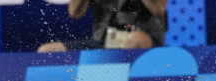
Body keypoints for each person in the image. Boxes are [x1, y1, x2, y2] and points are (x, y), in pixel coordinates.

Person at [37, 0, 168, 52]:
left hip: (145, 39)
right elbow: (75, 12)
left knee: (133, 39)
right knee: (47, 51)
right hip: (107, 40)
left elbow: (159, 9)